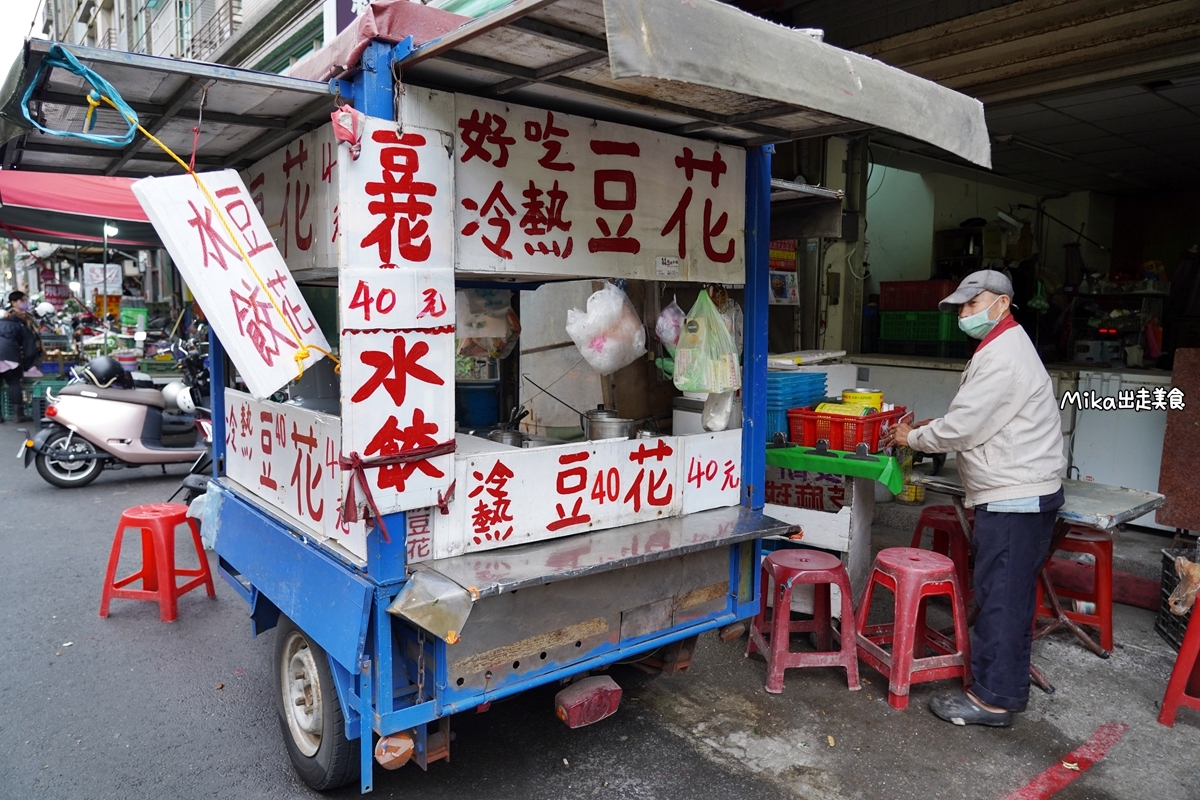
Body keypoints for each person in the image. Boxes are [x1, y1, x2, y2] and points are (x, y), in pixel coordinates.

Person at [883, 270, 1067, 728]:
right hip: (1018, 490)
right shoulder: (1001, 346)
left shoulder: (1005, 355)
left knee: (1002, 599)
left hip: (1015, 495)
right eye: (961, 307)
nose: (964, 314)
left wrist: (914, 436)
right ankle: (996, 689)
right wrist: (929, 429)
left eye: (972, 304)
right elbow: (976, 417)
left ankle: (994, 700)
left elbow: (964, 427)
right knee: (1006, 595)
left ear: (1002, 304)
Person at [0, 292, 39, 422]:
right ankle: (18, 415)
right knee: (13, 382)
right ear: (14, 303)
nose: (25, 302)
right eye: (23, 300)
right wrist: (27, 365)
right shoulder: (21, 323)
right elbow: (30, 347)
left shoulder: (3, 319)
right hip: (10, 355)